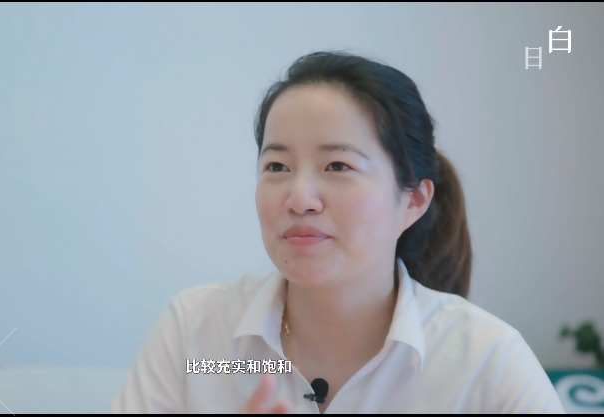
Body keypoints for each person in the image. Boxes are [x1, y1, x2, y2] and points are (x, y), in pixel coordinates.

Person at [110, 51, 565, 413]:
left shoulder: (485, 362)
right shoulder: (197, 339)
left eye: (338, 165)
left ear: (413, 200)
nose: (299, 198)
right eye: (277, 166)